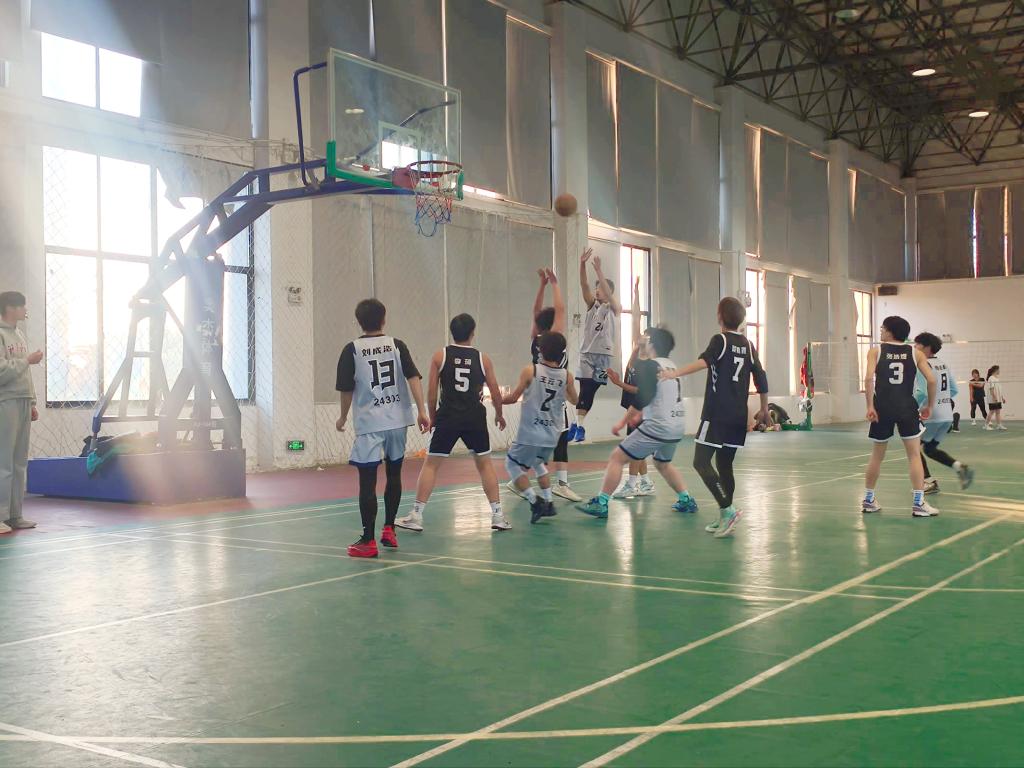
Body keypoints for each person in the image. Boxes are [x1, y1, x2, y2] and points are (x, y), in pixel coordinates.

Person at [657, 297, 769, 538]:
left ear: (720, 316)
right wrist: (764, 409)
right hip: (738, 416)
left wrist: (675, 373)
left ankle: (728, 510)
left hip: (717, 414)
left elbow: (703, 362)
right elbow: (761, 376)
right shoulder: (748, 345)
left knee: (701, 462)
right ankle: (725, 516)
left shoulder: (721, 340)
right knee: (725, 465)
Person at [396, 313, 510, 532]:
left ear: (452, 332)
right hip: (474, 418)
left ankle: (416, 515)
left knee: (431, 464)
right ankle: (497, 515)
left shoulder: (440, 356)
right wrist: (499, 413)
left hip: (448, 416)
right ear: (472, 333)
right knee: (485, 464)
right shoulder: (483, 359)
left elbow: (432, 393)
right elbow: (495, 391)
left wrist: (432, 416)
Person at [335, 299, 429, 558]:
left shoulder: (352, 350)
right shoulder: (397, 345)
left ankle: (368, 540)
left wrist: (342, 417)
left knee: (368, 481)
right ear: (384, 319)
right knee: (394, 474)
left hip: (370, 423)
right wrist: (422, 411)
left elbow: (346, 389)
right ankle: (389, 529)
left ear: (358, 322)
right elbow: (413, 377)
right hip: (397, 420)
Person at [576, 326, 698, 520]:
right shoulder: (671, 365)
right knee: (662, 463)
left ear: (652, 344)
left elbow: (642, 396)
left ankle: (601, 502)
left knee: (617, 457)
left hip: (658, 426)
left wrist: (622, 421)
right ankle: (686, 499)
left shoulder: (652, 365)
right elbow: (655, 394)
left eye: (647, 340)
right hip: (676, 425)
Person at [507, 268, 582, 502]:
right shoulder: (554, 340)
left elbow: (536, 312)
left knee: (536, 444)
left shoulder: (536, 340)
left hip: (536, 395)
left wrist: (541, 285)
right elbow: (560, 310)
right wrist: (555, 284)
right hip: (554, 393)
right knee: (559, 438)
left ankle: (523, 479)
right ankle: (560, 484)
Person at [861, 316, 938, 517]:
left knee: (877, 455)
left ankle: (869, 500)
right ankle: (918, 503)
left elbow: (868, 379)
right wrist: (929, 405)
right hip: (906, 407)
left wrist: (870, 406)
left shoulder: (875, 352)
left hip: (882, 408)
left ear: (889, 331)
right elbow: (931, 380)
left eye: (882, 328)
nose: (880, 331)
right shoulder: (915, 353)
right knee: (914, 455)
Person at [501, 331, 579, 524]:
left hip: (530, 432)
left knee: (512, 465)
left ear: (541, 350)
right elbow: (575, 400)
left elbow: (513, 397)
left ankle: (534, 501)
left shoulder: (531, 371)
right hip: (551, 434)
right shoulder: (566, 376)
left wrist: (496, 399)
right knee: (538, 464)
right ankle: (549, 502)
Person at [606, 278, 654, 499]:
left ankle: (631, 484)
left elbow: (639, 391)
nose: (641, 337)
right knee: (637, 448)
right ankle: (646, 482)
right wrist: (635, 294)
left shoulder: (649, 363)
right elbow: (635, 319)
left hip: (643, 409)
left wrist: (618, 383)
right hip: (633, 408)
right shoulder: (638, 351)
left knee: (634, 447)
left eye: (646, 338)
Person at [568, 247, 621, 443]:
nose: (597, 290)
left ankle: (576, 423)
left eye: (601, 288)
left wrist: (600, 271)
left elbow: (610, 296)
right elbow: (584, 284)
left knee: (591, 390)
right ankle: (580, 427)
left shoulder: (614, 308)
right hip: (587, 355)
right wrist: (582, 264)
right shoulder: (592, 305)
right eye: (597, 287)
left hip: (604, 357)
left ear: (610, 292)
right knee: (585, 389)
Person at [0, 291, 42, 534]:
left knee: (18, 462)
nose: (25, 310)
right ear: (10, 308)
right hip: (6, 402)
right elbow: (2, 371)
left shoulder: (19, 334)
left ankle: (15, 514)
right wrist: (27, 360)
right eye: (22, 306)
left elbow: (26, 373)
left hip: (23, 401)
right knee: (4, 461)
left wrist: (32, 401)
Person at [913, 332, 974, 495]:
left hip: (931, 416)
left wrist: (913, 407)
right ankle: (959, 467)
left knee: (913, 448)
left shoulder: (922, 365)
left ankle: (928, 482)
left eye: (917, 344)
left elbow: (921, 392)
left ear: (926, 347)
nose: (914, 347)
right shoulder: (943, 364)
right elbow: (953, 390)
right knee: (930, 449)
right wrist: (941, 401)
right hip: (947, 416)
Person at [984, 365, 1007, 431]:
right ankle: (986, 425)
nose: (999, 371)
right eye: (999, 370)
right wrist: (994, 397)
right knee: (991, 412)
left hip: (998, 399)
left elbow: (999, 390)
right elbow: (991, 389)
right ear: (996, 370)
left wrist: (1002, 398)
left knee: (998, 412)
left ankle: (999, 425)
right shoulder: (991, 378)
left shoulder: (997, 379)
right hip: (993, 399)